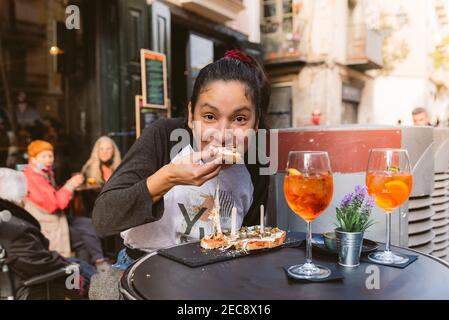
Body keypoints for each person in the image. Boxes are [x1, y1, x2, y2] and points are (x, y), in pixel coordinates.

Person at [92, 50, 270, 271]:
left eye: (240, 119)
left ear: (255, 124)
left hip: (215, 274)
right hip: (142, 268)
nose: (223, 135)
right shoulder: (164, 136)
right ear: (190, 114)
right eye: (209, 116)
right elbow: (103, 220)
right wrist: (169, 177)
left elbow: (248, 243)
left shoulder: (255, 163)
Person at [0, 168, 95, 299]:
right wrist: (64, 263)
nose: (28, 193)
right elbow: (40, 263)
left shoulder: (6, 223)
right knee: (83, 271)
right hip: (34, 286)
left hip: (22, 278)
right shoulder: (13, 228)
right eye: (25, 191)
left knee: (80, 264)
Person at [23, 140, 107, 268]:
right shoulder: (33, 177)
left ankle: (95, 264)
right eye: (43, 156)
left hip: (56, 219)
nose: (48, 160)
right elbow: (55, 204)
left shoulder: (43, 173)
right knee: (84, 237)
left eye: (50, 156)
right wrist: (71, 184)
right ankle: (92, 267)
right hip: (49, 225)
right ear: (33, 159)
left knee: (89, 224)